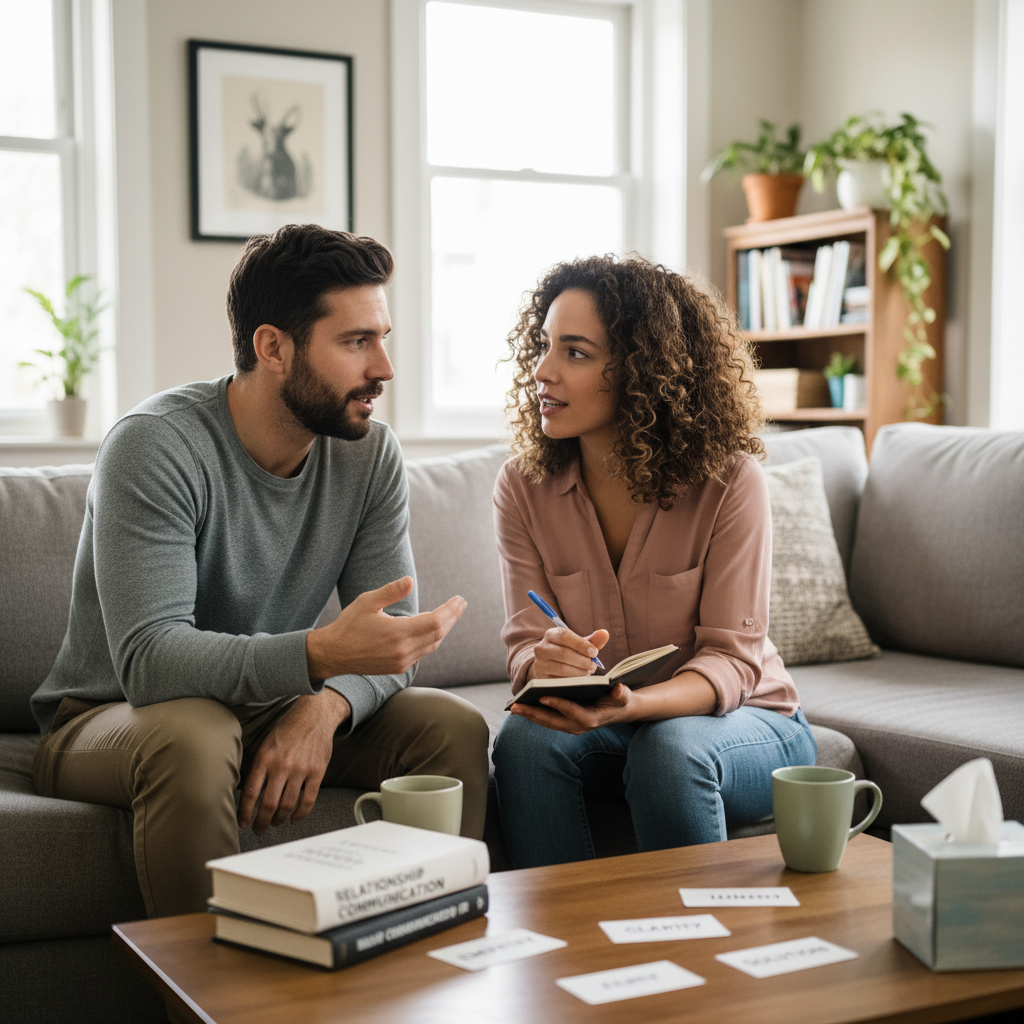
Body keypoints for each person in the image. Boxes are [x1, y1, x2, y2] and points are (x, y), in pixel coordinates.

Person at [31, 224, 489, 917]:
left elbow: (390, 639)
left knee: (450, 728)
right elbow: (150, 663)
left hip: (265, 705)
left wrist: (323, 705)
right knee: (197, 735)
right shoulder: (154, 447)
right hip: (112, 718)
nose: (385, 368)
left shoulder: (368, 456)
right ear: (272, 347)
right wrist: (316, 654)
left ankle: (415, 980)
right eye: (356, 341)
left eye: (383, 338)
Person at [491, 254, 817, 869]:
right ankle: (563, 943)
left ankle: (697, 951)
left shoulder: (729, 481)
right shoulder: (522, 487)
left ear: (644, 372)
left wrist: (636, 705)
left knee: (668, 751)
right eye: (543, 346)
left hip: (745, 719)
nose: (541, 371)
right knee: (523, 741)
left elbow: (731, 663)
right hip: (615, 728)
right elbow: (524, 650)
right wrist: (543, 663)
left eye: (576, 353)